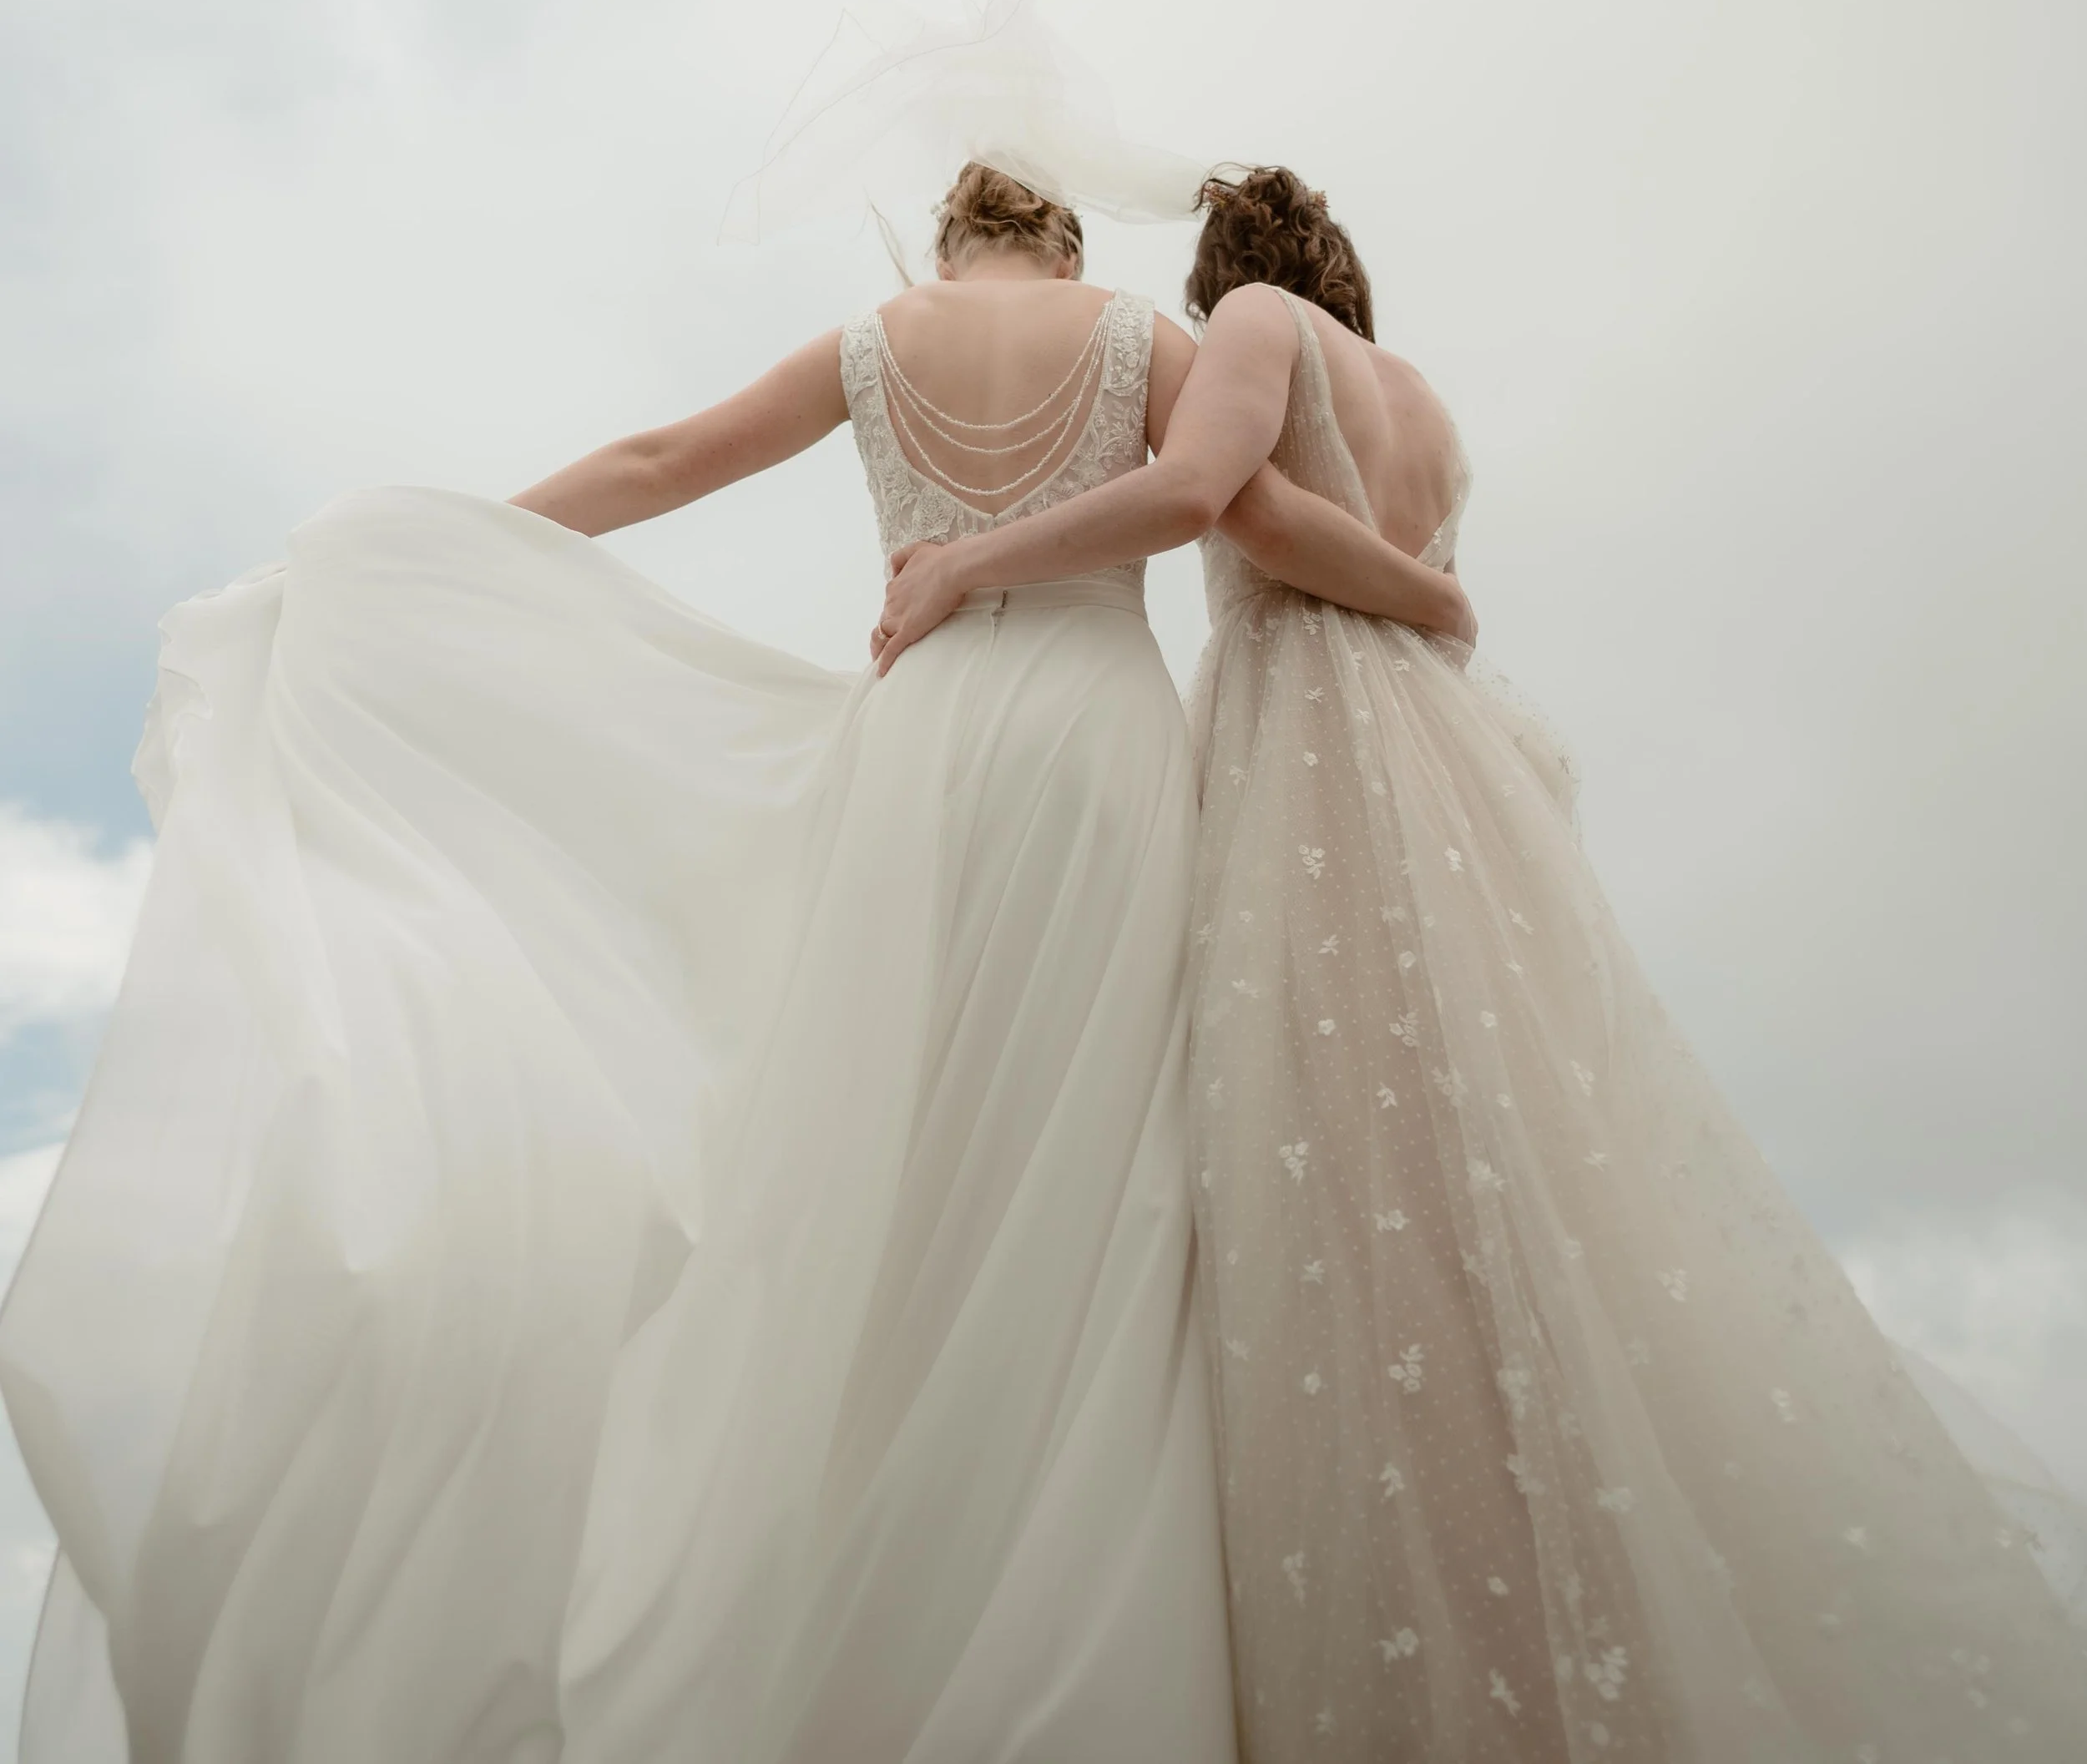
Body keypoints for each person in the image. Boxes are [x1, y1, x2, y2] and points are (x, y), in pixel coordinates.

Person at [0, 152, 1442, 1764]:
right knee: (1098, 1149)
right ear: (1066, 242)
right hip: (1097, 743)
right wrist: (1424, 593)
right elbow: (1243, 508)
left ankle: (848, 1586)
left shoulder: (865, 345)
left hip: (924, 738)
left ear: (949, 239)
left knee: (891, 1165)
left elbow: (664, 457)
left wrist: (466, 544)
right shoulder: (1149, 347)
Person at [873, 166, 2087, 1764]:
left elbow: (1216, 498)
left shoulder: (1247, 320)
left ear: (1231, 276)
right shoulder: (1428, 404)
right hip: (1449, 775)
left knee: (1317, 1183)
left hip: (1314, 760)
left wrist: (975, 559)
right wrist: (1437, 589)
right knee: (1487, 1186)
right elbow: (1401, 574)